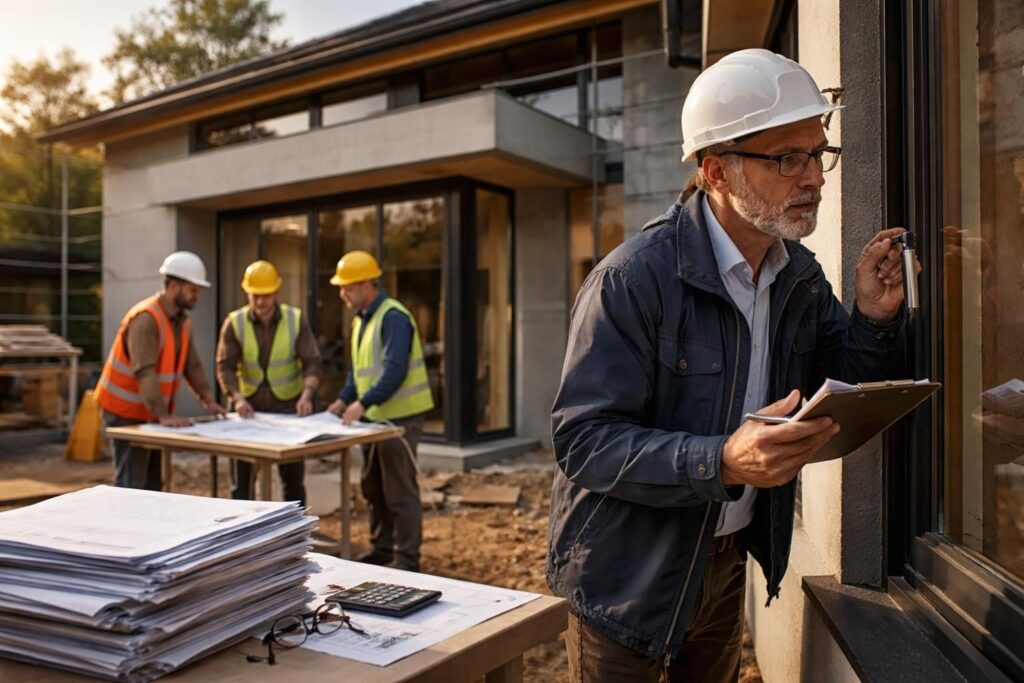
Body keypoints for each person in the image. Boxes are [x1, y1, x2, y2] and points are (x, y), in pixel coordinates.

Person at [546, 49, 915, 682]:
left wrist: (872, 315)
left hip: (721, 566)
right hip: (625, 577)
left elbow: (837, 382)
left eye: (817, 154)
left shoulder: (797, 275)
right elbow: (583, 441)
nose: (814, 179)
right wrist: (720, 460)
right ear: (716, 172)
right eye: (786, 159)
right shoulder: (633, 279)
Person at [326, 250, 434, 572]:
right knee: (373, 488)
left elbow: (395, 369)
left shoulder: (393, 317)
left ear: (366, 285)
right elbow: (358, 372)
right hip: (375, 420)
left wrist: (362, 403)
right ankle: (382, 549)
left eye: (347, 287)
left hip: (400, 420)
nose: (342, 293)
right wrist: (343, 401)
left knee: (399, 491)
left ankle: (407, 558)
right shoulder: (363, 320)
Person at [95, 251, 227, 491]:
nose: (197, 296)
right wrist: (164, 415)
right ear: (174, 286)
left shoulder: (183, 321)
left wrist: (208, 399)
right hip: (125, 412)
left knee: (153, 486)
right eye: (193, 290)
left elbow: (192, 365)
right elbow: (145, 371)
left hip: (151, 414)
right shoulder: (145, 319)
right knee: (131, 485)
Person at [215, 259, 323, 506]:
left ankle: (293, 536)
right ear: (247, 293)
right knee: (241, 485)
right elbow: (225, 366)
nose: (261, 302)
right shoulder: (234, 323)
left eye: (266, 296)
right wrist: (237, 398)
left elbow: (313, 362)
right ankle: (243, 537)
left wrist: (307, 395)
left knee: (293, 483)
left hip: (287, 408)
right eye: (255, 296)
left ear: (276, 292)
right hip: (247, 411)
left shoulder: (296, 320)